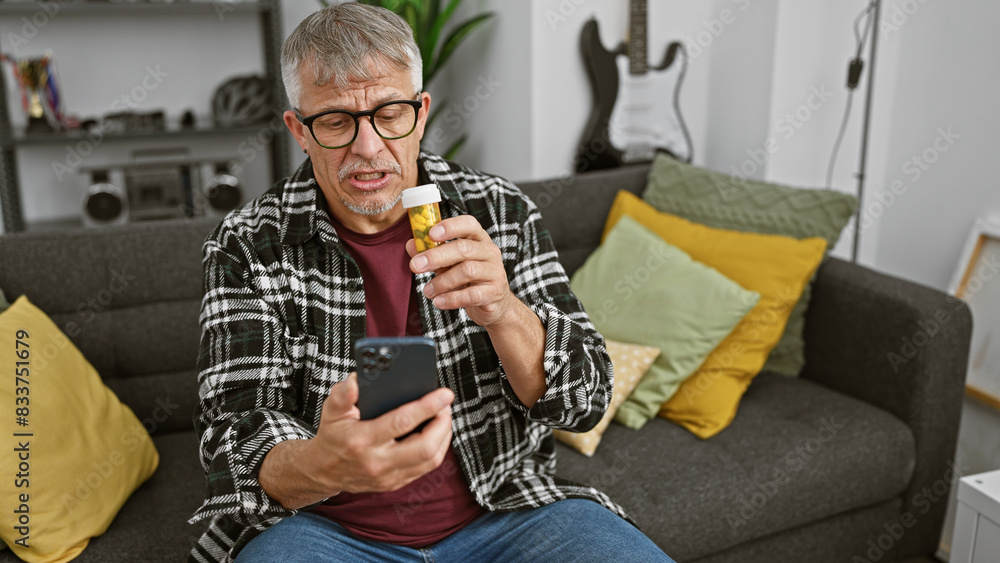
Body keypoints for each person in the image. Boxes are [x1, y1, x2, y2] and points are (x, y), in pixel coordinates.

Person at [188, 4, 673, 562]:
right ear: (300, 130)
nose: (368, 149)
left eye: (390, 112)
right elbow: (231, 441)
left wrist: (504, 311)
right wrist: (327, 462)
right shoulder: (248, 243)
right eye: (336, 121)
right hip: (322, 530)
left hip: (507, 515)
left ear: (420, 113)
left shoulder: (500, 211)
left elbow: (585, 401)